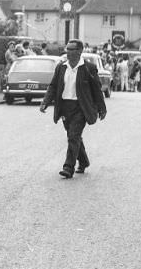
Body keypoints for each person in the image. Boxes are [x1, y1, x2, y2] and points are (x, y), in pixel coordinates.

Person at [39, 39, 107, 179]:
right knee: (73, 136)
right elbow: (53, 86)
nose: (68, 52)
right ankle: (83, 161)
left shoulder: (89, 68)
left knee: (73, 136)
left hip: (80, 108)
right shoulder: (61, 67)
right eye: (67, 49)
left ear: (80, 51)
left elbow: (97, 90)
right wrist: (45, 101)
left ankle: (68, 167)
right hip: (65, 107)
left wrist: (101, 108)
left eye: (71, 49)